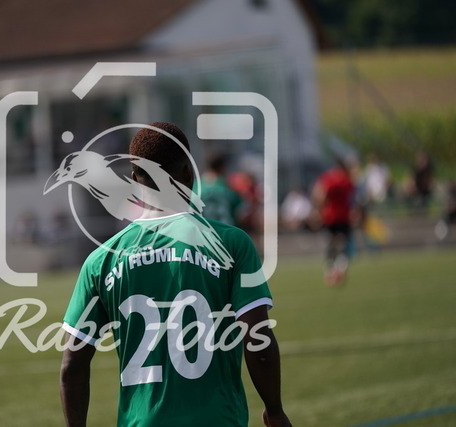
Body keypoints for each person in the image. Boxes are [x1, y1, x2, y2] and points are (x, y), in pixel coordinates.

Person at [59, 122, 291, 427]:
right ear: (188, 173)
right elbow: (257, 337)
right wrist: (274, 410)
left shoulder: (101, 260)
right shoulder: (232, 243)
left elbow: (72, 365)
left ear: (134, 179)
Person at [312, 157, 356, 286]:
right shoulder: (347, 180)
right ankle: (340, 271)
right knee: (343, 245)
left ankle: (329, 272)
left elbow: (320, 194)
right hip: (344, 216)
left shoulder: (329, 178)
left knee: (330, 245)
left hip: (330, 216)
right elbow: (352, 199)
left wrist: (318, 211)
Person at [200, 152, 245, 226]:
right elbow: (241, 214)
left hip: (204, 230)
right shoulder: (229, 188)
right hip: (227, 230)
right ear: (222, 167)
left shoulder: (196, 187)